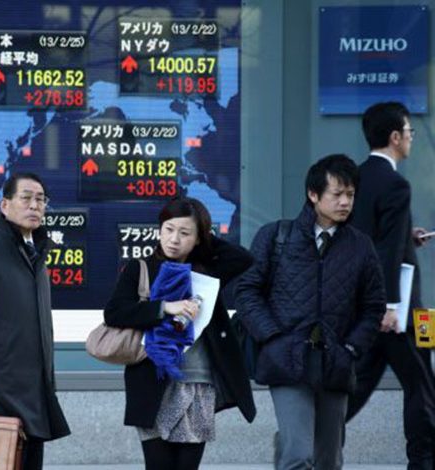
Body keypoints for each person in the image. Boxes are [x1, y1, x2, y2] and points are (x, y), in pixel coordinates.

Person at [236, 154, 385, 470]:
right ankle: (288, 449)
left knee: (329, 460)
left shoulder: (361, 246)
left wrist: (351, 348)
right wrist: (272, 337)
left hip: (336, 362)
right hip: (286, 358)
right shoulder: (276, 236)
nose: (345, 202)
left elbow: (373, 307)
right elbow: (246, 291)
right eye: (337, 194)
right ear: (313, 194)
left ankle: (288, 447)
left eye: (350, 195)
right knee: (298, 456)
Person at [103, 196, 256, 470]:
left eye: (184, 233)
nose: (174, 239)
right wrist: (163, 307)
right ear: (159, 230)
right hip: (153, 380)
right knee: (158, 464)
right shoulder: (141, 267)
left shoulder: (207, 270)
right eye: (169, 229)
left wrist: (203, 234)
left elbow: (243, 259)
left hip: (198, 382)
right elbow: (115, 312)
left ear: (198, 239)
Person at [0, 173, 70, 470]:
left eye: (40, 200)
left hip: (36, 388)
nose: (34, 206)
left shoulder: (37, 252)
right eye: (26, 198)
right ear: (5, 205)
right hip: (1, 388)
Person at [347, 101, 435, 469]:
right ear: (395, 137)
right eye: (409, 132)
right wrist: (389, 306)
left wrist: (407, 238)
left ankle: (305, 436)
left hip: (363, 305)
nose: (412, 138)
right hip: (399, 311)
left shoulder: (354, 179)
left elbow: (371, 236)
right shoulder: (397, 184)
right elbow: (386, 248)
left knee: (358, 383)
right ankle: (424, 460)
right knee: (423, 386)